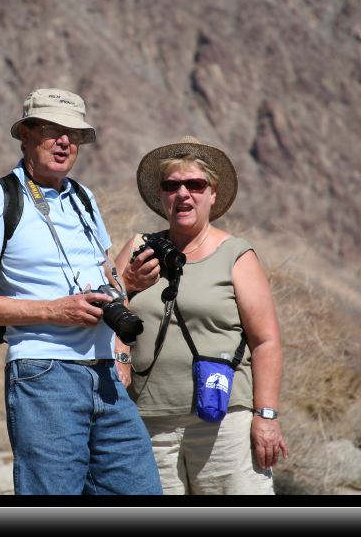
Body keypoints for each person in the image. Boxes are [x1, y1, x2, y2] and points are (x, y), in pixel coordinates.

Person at [0, 88, 162, 495]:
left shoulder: (84, 197)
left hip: (104, 373)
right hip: (44, 373)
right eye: (51, 130)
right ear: (25, 135)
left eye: (74, 134)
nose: (64, 141)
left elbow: (104, 281)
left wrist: (129, 284)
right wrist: (54, 311)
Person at [112, 135, 288, 495]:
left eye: (195, 184)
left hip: (224, 424)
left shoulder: (236, 255)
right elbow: (108, 309)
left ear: (212, 193)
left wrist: (266, 416)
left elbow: (266, 340)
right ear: (161, 196)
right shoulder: (139, 249)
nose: (183, 194)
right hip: (147, 423)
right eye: (172, 185)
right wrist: (121, 349)